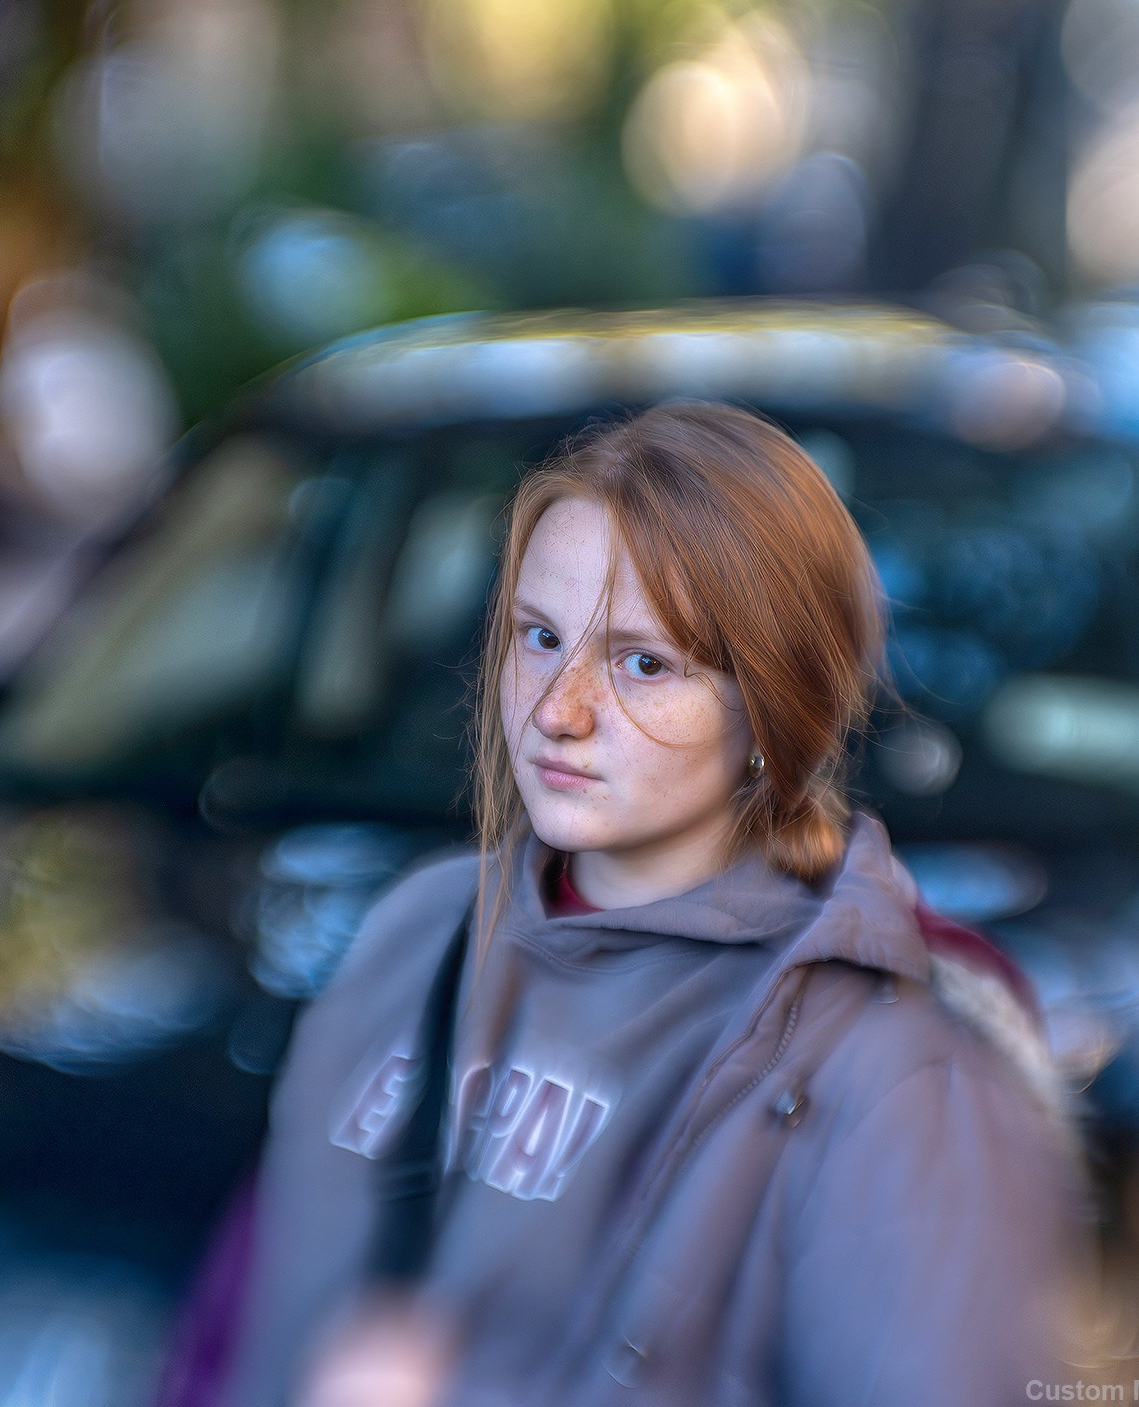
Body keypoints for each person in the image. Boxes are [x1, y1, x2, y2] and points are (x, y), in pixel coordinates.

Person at [210, 403, 1086, 1407]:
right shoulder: (420, 929)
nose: (558, 710)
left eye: (644, 663)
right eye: (540, 637)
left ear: (777, 705)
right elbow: (241, 1325)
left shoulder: (893, 1071)